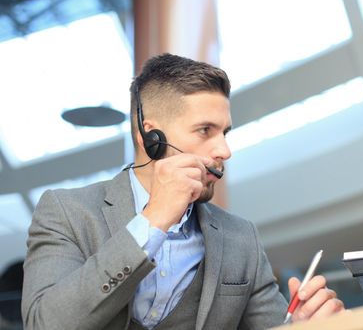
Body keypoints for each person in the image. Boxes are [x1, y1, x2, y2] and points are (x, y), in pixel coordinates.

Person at [22, 54, 344, 330]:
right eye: (205, 130)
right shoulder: (67, 212)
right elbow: (44, 323)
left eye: (225, 132)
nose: (224, 150)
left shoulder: (240, 238)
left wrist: (298, 325)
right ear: (151, 137)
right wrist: (153, 221)